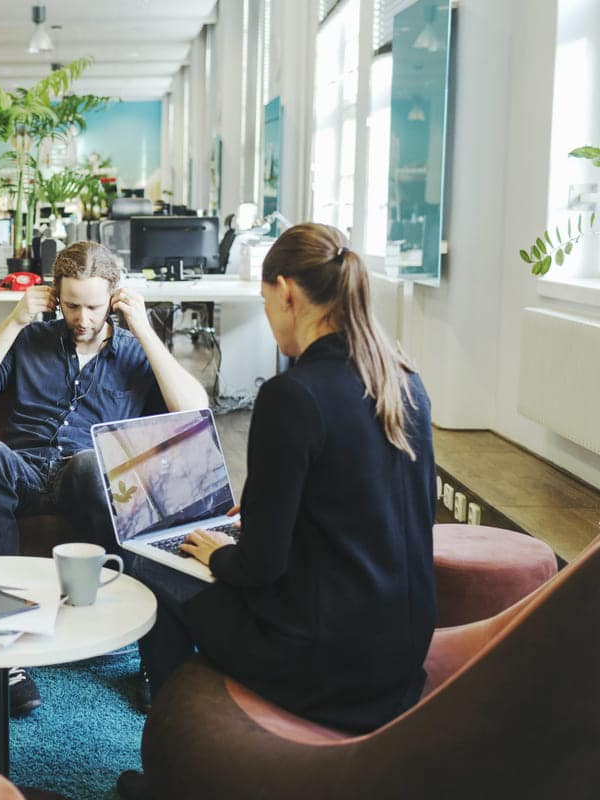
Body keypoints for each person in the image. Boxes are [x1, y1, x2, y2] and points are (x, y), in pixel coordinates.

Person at [117, 222, 436, 799]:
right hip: (400, 653)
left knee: (151, 561)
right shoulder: (403, 380)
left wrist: (223, 554)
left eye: (267, 303)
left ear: (287, 292)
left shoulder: (294, 395)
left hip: (320, 661)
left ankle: (177, 772)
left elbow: (259, 567)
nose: (269, 317)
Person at [0, 240, 210, 715]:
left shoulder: (132, 352)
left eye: (93, 306)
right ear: (54, 297)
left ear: (114, 298)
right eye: (71, 305)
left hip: (88, 478)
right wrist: (14, 320)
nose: (82, 319)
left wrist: (145, 330)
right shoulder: (30, 339)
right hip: (21, 469)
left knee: (94, 461)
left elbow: (194, 413)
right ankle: (1, 647)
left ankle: (138, 640)